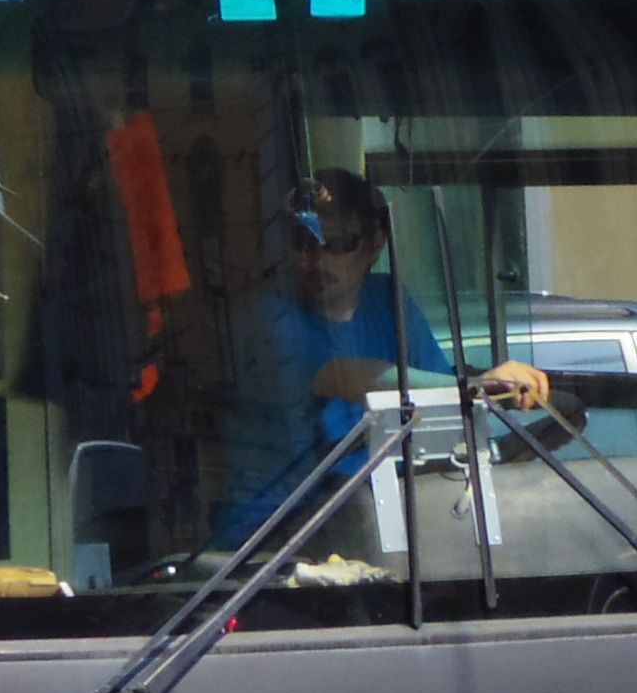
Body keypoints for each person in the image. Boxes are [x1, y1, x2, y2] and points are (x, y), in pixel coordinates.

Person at [216, 169, 551, 541]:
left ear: (376, 243)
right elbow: (352, 376)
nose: (318, 259)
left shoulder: (390, 299)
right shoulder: (266, 316)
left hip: (375, 519)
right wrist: (476, 385)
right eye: (303, 242)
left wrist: (472, 392)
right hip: (271, 538)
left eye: (339, 243)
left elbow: (441, 403)